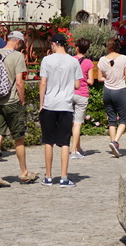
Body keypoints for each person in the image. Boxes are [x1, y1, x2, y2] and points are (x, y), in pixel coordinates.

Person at [0, 30, 39, 188]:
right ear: (18, 42)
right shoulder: (17, 56)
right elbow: (20, 82)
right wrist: (22, 100)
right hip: (12, 101)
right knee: (18, 138)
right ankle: (24, 173)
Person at [39, 32, 83, 186]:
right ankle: (64, 177)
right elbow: (77, 85)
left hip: (50, 104)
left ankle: (49, 176)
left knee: (48, 141)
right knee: (65, 142)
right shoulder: (73, 61)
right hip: (66, 105)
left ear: (54, 44)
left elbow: (43, 83)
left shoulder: (47, 60)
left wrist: (41, 103)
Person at [97, 38, 126, 157]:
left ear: (107, 47)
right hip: (119, 90)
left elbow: (100, 78)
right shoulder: (123, 58)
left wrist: (108, 77)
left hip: (107, 91)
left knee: (111, 119)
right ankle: (115, 141)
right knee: (124, 118)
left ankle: (114, 146)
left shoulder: (102, 60)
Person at [69, 37, 95, 159]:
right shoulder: (88, 62)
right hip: (82, 93)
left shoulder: (70, 60)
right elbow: (91, 81)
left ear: (77, 47)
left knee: (73, 123)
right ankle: (74, 150)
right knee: (78, 123)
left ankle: (77, 148)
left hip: (70, 92)